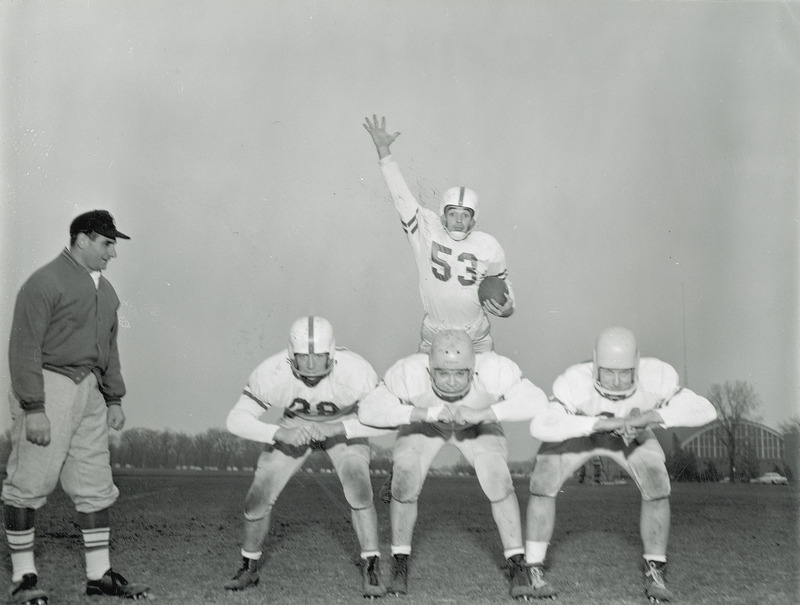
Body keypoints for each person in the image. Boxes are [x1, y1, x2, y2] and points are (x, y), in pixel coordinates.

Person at [3, 210, 149, 604]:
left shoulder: (108, 291)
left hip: (90, 390)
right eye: (107, 243)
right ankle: (23, 578)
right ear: (81, 239)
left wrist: (113, 397)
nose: (113, 252)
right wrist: (34, 406)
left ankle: (99, 575)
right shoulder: (44, 282)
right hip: (50, 385)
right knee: (30, 480)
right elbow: (23, 348)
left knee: (95, 483)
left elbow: (109, 349)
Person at [526, 326, 718, 602]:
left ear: (637, 368)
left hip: (634, 435)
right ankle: (533, 569)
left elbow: (705, 409)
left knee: (656, 481)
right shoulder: (574, 381)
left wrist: (650, 417)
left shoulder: (657, 375)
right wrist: (602, 423)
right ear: (595, 367)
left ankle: (655, 573)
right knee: (543, 478)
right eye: (608, 371)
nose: (616, 381)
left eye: (625, 372)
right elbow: (540, 424)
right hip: (582, 433)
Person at [358, 329, 550, 600]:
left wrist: (484, 412)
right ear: (429, 370)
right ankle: (400, 565)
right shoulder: (408, 372)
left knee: (498, 481)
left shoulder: (495, 369)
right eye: (443, 373)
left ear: (473, 371)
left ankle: (517, 566)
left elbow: (538, 401)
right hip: (426, 425)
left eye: (460, 374)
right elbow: (368, 410)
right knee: (405, 481)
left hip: (476, 425)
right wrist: (420, 412)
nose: (450, 382)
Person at [223, 316, 392, 598]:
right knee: (257, 498)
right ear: (291, 356)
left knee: (359, 489)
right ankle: (248, 567)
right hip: (294, 424)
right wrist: (278, 433)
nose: (311, 364)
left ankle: (371, 567)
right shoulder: (273, 372)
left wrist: (338, 427)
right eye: (303, 357)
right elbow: (236, 419)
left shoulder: (356, 371)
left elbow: (385, 419)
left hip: (344, 422)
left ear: (333, 354)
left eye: (319, 356)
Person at [363, 115, 515, 354]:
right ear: (442, 216)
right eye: (452, 213)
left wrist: (508, 307)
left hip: (476, 338)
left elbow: (504, 287)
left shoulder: (489, 246)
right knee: (425, 388)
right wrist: (384, 152)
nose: (458, 220)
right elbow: (401, 196)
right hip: (435, 335)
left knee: (486, 388)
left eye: (465, 215)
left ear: (474, 221)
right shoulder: (427, 230)